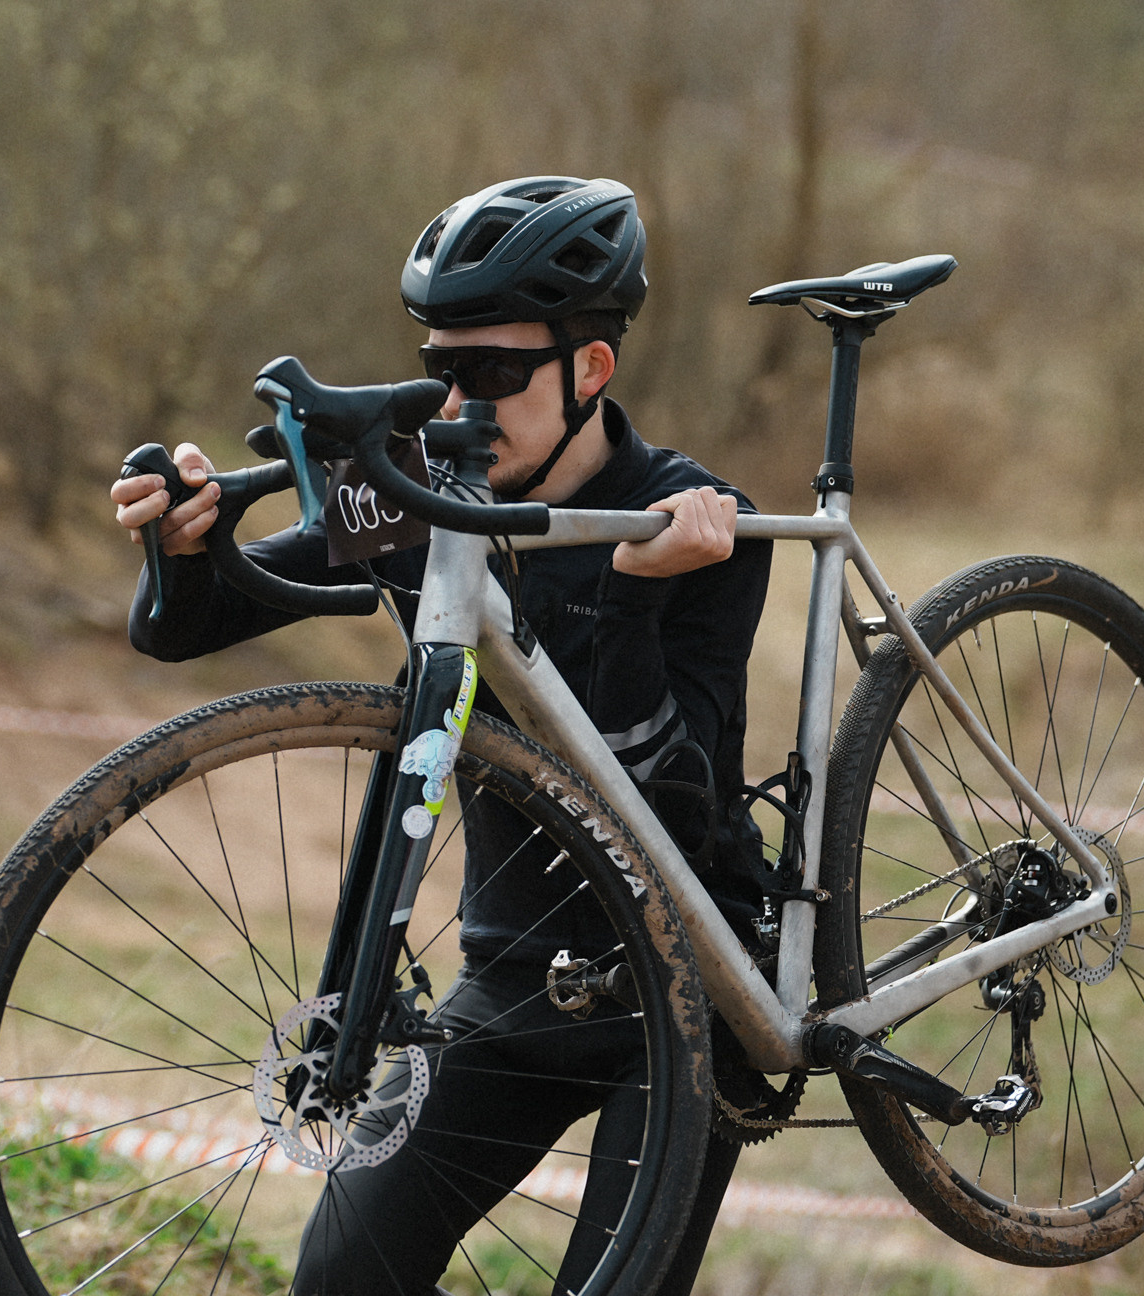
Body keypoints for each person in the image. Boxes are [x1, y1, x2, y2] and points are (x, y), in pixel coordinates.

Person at [109, 176, 774, 1295]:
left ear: (591, 369)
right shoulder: (417, 493)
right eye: (439, 372)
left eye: (494, 374)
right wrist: (185, 548)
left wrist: (628, 596)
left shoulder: (693, 521)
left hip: (683, 988)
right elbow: (201, 624)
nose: (458, 405)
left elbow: (669, 797)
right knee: (339, 1278)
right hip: (512, 980)